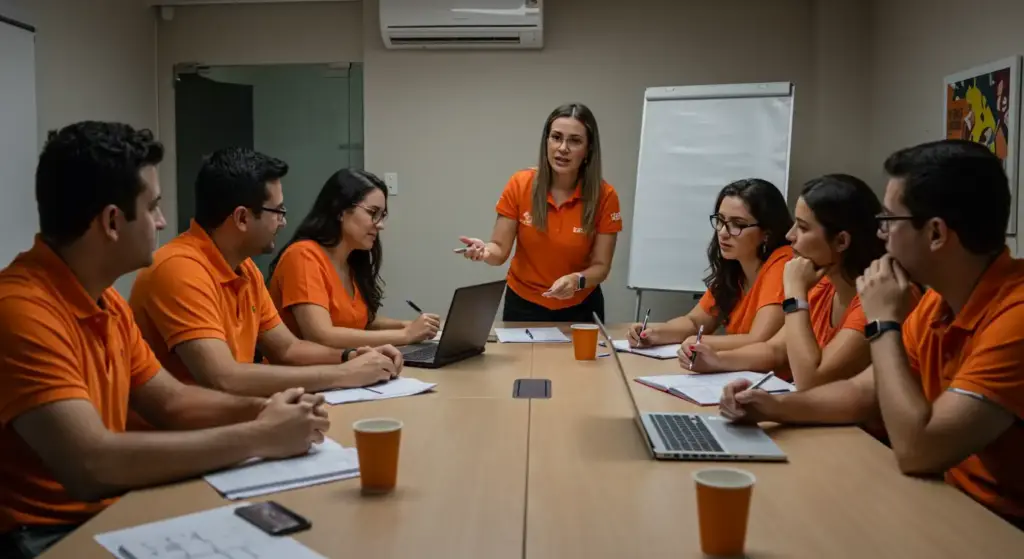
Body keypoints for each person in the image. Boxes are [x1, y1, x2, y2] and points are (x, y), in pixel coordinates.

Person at [0, 122, 328, 558]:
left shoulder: (105, 302)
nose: (162, 221)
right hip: (45, 534)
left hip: (113, 508)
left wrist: (265, 410)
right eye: (153, 206)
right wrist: (259, 435)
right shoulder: (21, 309)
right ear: (112, 221)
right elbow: (91, 464)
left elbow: (171, 401)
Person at [719, 139, 1024, 530]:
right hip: (942, 498)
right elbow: (860, 393)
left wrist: (883, 323)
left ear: (935, 233)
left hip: (999, 525)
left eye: (890, 221)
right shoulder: (939, 301)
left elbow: (918, 450)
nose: (881, 234)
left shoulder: (1014, 316)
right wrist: (770, 407)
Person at [129, 148, 403, 400]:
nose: (283, 222)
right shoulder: (180, 268)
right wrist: (343, 374)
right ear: (242, 218)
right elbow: (224, 378)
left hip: (233, 417)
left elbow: (287, 349)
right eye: (278, 211)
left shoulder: (246, 269)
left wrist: (351, 356)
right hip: (181, 432)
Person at [684, 174, 886, 390]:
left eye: (803, 228)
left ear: (841, 241)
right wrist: (716, 361)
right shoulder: (824, 284)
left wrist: (796, 293)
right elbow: (775, 350)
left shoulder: (874, 300)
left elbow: (810, 381)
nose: (790, 235)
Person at [457, 103, 622, 322]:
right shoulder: (520, 184)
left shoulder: (605, 196)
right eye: (556, 137)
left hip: (580, 304)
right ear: (546, 141)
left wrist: (576, 280)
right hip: (524, 304)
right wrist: (485, 251)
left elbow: (601, 267)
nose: (563, 148)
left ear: (588, 149)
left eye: (574, 141)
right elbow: (499, 250)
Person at [267, 168, 440, 347]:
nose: (380, 225)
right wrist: (405, 335)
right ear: (340, 210)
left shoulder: (351, 261)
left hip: (345, 362)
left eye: (382, 216)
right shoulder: (303, 256)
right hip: (305, 365)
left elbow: (358, 322)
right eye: (373, 213)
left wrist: (407, 326)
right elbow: (321, 335)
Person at [626, 178, 793, 351]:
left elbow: (760, 340)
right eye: (720, 220)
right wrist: (654, 333)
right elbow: (695, 322)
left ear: (767, 233)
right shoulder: (734, 267)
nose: (723, 233)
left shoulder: (782, 262)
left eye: (738, 224)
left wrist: (698, 342)